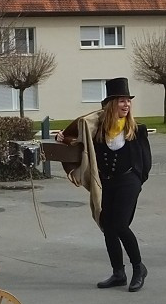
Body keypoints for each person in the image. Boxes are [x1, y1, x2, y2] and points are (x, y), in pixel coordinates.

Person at [55, 77, 153, 292]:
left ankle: (139, 267)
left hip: (129, 181)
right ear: (111, 104)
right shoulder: (98, 131)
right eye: (121, 101)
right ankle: (118, 272)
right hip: (107, 182)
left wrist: (137, 179)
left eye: (128, 101)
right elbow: (82, 146)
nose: (126, 105)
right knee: (107, 226)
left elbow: (146, 161)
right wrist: (64, 139)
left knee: (120, 225)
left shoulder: (137, 130)